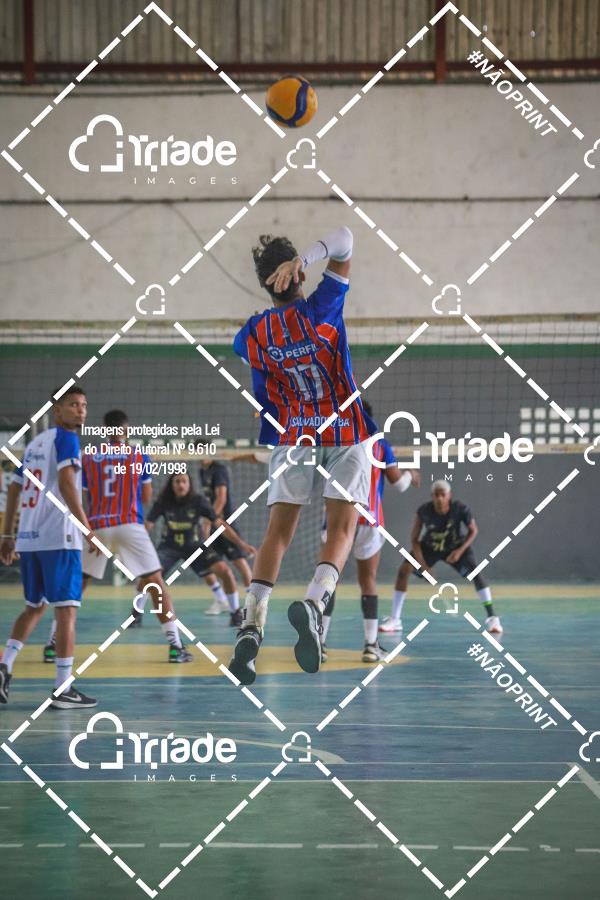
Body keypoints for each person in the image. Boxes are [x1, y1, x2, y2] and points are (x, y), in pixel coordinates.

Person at [229, 225, 378, 685]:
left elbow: (250, 365)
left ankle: (251, 626)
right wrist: (307, 259)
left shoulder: (253, 334)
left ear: (265, 283)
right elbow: (346, 237)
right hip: (346, 429)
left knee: (277, 533)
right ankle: (315, 602)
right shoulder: (323, 307)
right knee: (342, 527)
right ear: (297, 275)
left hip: (295, 434)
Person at [0, 385, 97, 707]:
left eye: (83, 405)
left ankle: (4, 666)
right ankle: (62, 689)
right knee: (66, 611)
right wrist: (86, 529)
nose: (80, 411)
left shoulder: (34, 445)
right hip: (59, 538)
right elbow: (68, 484)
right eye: (73, 405)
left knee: (34, 607)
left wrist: (8, 535)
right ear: (57, 410)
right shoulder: (67, 439)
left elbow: (14, 490)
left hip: (29, 540)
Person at [76, 409, 192, 662]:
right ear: (126, 430)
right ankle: (175, 646)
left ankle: (53, 643)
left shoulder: (89, 456)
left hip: (97, 526)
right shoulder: (138, 455)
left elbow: (86, 497)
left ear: (104, 430)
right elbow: (147, 497)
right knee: (156, 584)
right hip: (129, 523)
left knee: (78, 584)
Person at [320, 401, 420, 662]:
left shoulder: (331, 440)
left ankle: (319, 643)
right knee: (368, 580)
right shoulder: (379, 444)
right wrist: (410, 474)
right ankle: (370, 646)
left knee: (329, 581)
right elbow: (399, 485)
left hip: (334, 520)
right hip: (368, 519)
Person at [145, 472, 255, 626]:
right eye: (177, 481)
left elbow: (220, 524)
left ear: (189, 484)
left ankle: (235, 612)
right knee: (148, 577)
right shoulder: (163, 501)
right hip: (169, 546)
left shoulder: (198, 501)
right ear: (172, 484)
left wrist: (241, 544)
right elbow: (147, 526)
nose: (181, 485)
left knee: (225, 572)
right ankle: (135, 614)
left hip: (194, 546)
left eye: (184, 481)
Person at [393, 480, 502, 634]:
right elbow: (414, 539)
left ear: (449, 495)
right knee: (404, 570)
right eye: (436, 495)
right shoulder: (424, 511)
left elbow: (473, 530)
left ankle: (492, 618)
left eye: (442, 495)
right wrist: (423, 566)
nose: (439, 498)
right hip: (430, 547)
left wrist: (460, 551)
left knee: (476, 573)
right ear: (432, 496)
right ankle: (395, 620)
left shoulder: (460, 509)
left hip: (454, 547)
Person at [198, 459, 253, 610]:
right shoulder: (202, 471)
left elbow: (221, 498)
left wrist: (209, 520)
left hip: (224, 521)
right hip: (213, 521)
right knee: (207, 561)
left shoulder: (219, 469)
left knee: (239, 561)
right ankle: (221, 599)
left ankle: (252, 602)